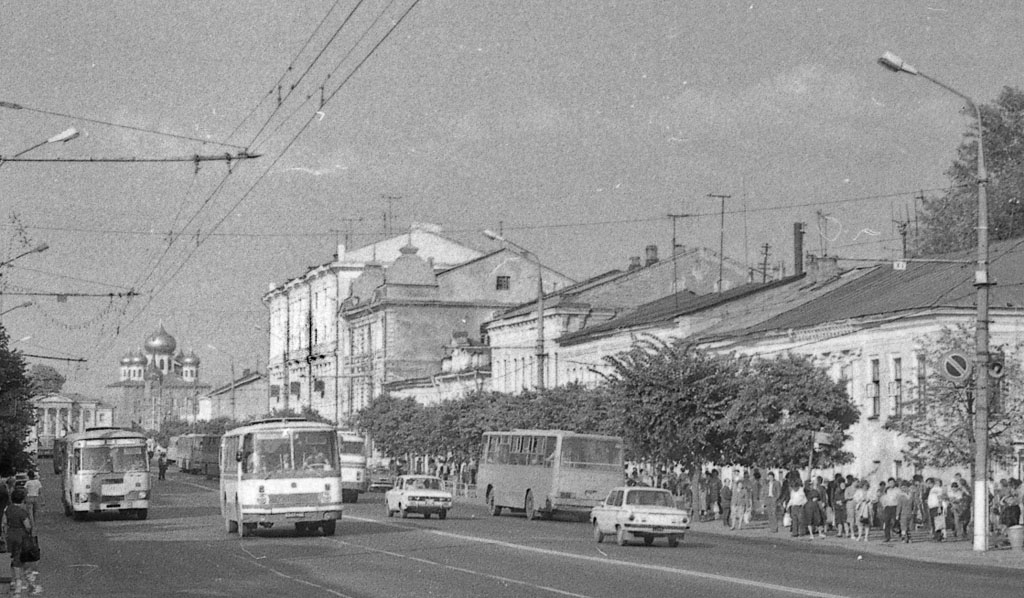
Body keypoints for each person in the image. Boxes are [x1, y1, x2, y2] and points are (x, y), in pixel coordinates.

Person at [2, 488, 42, 595]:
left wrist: (5, 534)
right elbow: (28, 526)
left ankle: (16, 581)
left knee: (15, 557)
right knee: (21, 560)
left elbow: (4, 523)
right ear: (22, 500)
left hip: (10, 535)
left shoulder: (8, 509)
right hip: (21, 537)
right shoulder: (22, 512)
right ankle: (20, 584)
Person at [879, 478, 900, 542]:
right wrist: (884, 505)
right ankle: (887, 537)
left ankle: (898, 532)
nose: (891, 484)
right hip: (888, 507)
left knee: (895, 520)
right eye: (890, 483)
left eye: (892, 482)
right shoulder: (887, 490)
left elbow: (899, 499)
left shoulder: (898, 490)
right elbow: (884, 498)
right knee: (886, 521)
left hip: (895, 506)